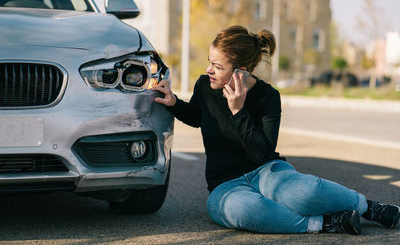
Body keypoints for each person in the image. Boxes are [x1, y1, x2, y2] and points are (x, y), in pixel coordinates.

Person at [151, 25, 400, 234]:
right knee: (242, 210)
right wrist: (174, 103)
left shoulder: (268, 97)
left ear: (241, 71)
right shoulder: (206, 86)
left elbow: (262, 154)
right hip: (225, 183)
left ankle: (369, 207)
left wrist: (239, 111)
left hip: (267, 171)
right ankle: (324, 223)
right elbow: (198, 117)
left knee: (305, 193)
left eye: (217, 65)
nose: (208, 70)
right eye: (209, 62)